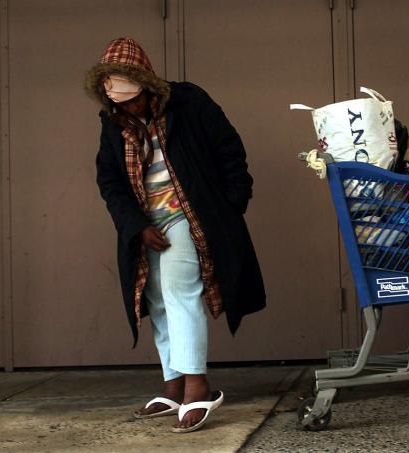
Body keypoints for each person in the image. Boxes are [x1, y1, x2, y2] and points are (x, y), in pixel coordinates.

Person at [86, 37, 266, 433]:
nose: (129, 108)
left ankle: (197, 385)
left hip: (191, 214)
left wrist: (231, 206)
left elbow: (229, 149)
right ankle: (175, 382)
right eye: (120, 103)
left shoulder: (189, 102)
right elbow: (109, 180)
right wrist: (135, 226)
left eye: (134, 99)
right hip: (147, 222)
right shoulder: (113, 122)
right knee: (155, 297)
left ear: (148, 85)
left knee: (179, 288)